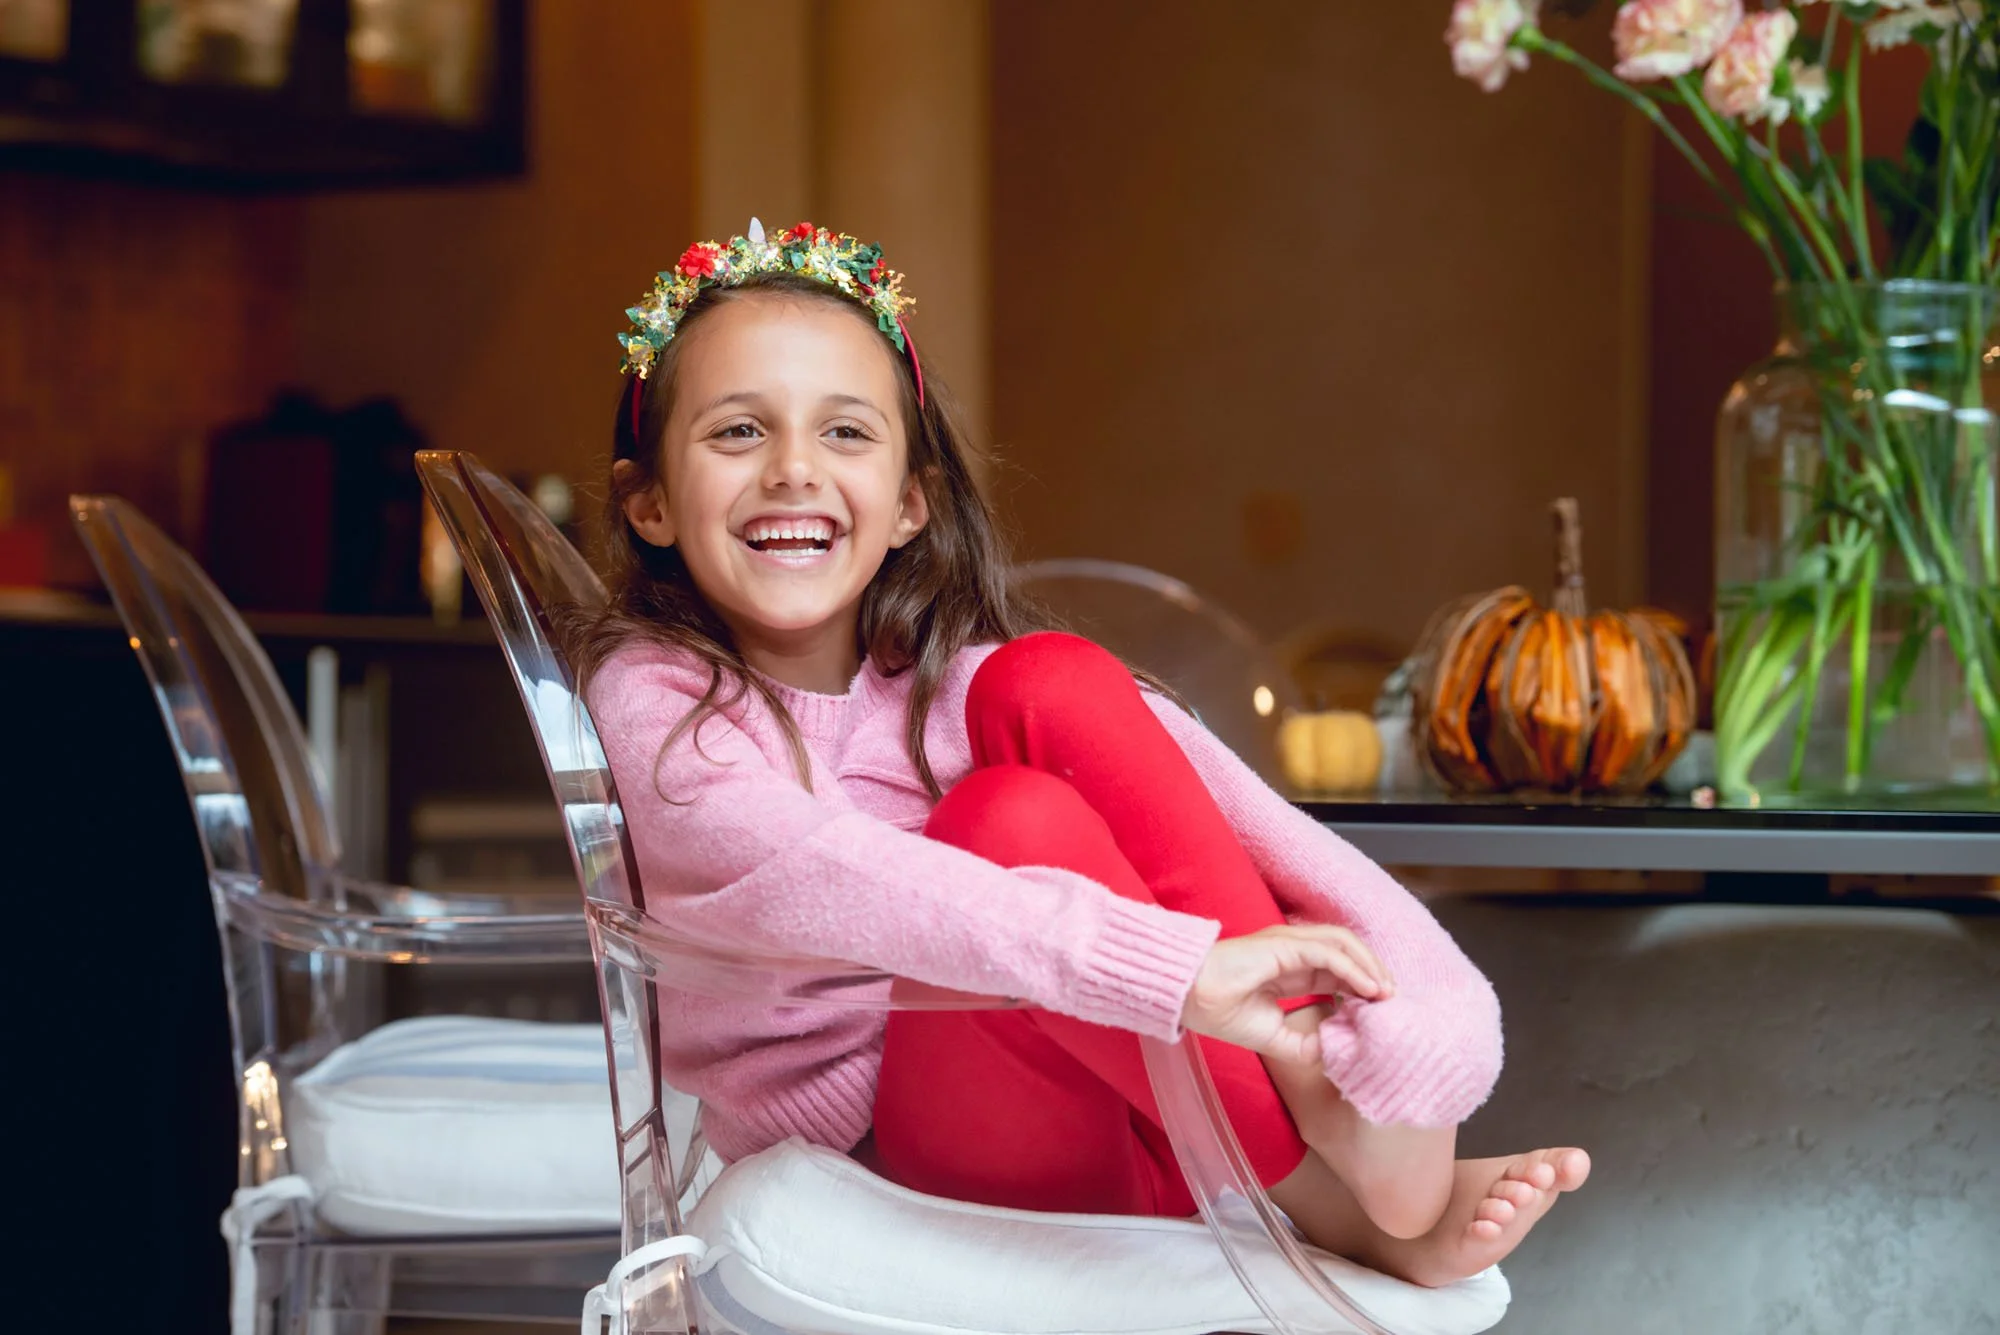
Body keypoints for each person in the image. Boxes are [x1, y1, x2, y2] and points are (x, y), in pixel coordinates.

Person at [571, 220, 1588, 1287]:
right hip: (892, 1149)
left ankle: (1336, 1091)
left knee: (1048, 675)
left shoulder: (941, 679)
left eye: (845, 434)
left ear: (911, 503)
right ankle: (1323, 1199)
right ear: (647, 500)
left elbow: (1252, 828)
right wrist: (1181, 971)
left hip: (1118, 1110)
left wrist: (1415, 1011)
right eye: (737, 432)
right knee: (1005, 828)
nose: (791, 471)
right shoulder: (657, 696)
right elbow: (822, 873)